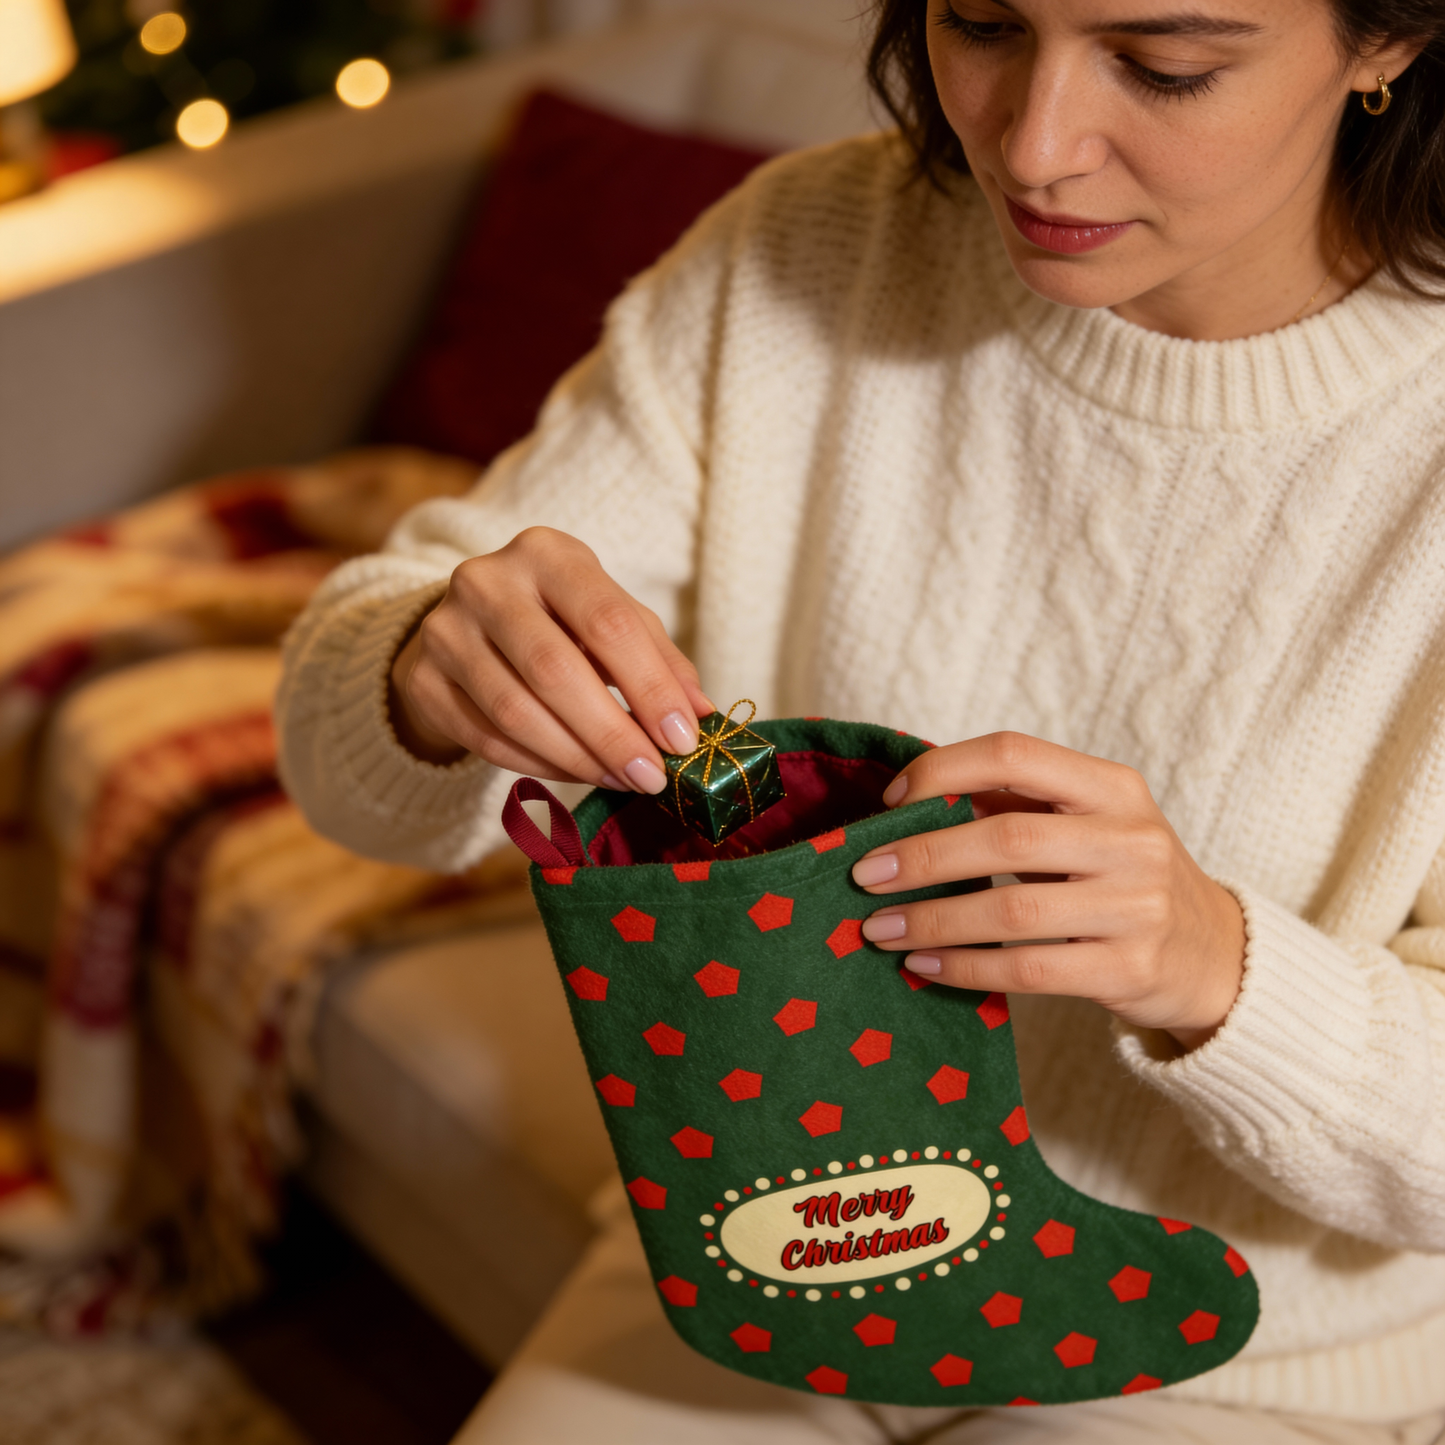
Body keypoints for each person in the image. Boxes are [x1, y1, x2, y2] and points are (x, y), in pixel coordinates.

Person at [277, 0, 1445, 1439]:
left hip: (1235, 1365)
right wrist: (424, 668)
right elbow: (355, 766)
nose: (1035, 143)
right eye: (984, 23)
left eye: (1166, 65)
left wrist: (1219, 965)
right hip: (760, 1259)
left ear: (1389, 41)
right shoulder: (807, 247)